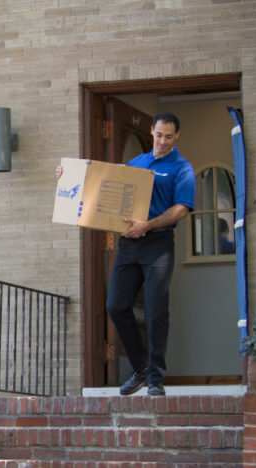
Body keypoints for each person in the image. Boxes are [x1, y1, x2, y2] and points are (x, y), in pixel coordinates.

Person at [56, 112, 195, 396]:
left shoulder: (182, 168)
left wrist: (149, 225)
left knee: (156, 311)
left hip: (158, 243)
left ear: (176, 136)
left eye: (169, 136)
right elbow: (101, 182)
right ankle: (140, 367)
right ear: (152, 131)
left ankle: (155, 379)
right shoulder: (136, 164)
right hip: (130, 244)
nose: (163, 141)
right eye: (159, 135)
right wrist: (66, 176)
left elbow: (182, 208)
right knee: (116, 306)